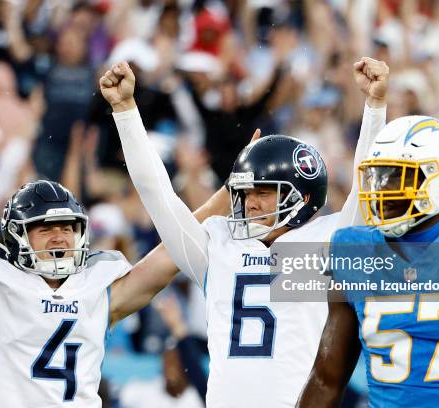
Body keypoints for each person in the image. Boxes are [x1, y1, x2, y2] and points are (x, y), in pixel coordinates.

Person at [101, 57, 389, 407]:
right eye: (245, 193)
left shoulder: (325, 244)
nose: (250, 203)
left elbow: (367, 190)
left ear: (304, 196)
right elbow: (158, 196)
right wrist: (125, 110)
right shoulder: (219, 243)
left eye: (263, 192)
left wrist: (374, 107)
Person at [0, 132, 235, 406]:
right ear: (17, 236)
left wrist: (231, 189)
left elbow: (173, 252)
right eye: (45, 228)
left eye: (68, 227)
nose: (60, 235)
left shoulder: (97, 288)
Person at [296, 116, 439, 407]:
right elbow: (326, 379)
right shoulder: (354, 250)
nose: (382, 189)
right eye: (379, 176)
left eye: (397, 176)